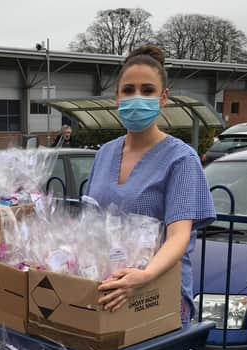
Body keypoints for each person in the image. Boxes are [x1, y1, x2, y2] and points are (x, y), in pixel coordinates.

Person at [85, 45, 216, 327]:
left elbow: (179, 236)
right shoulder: (104, 154)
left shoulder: (180, 159)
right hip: (107, 291)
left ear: (163, 98)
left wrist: (143, 277)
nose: (137, 98)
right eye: (129, 90)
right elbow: (91, 224)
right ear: (117, 97)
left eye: (147, 90)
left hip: (156, 295)